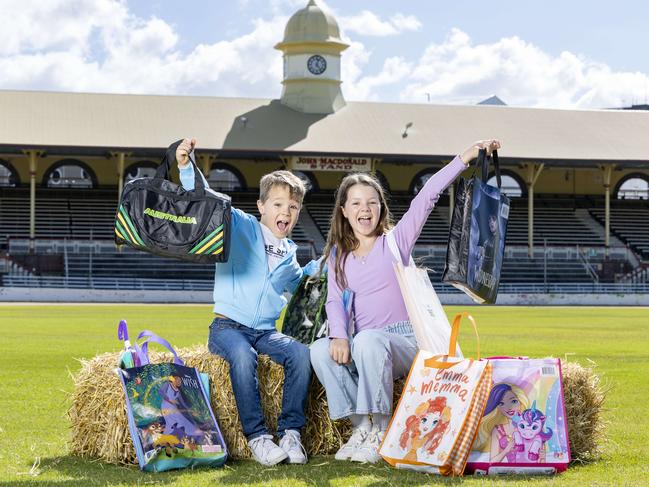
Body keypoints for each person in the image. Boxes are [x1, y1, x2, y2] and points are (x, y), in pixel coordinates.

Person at [310, 139, 501, 463]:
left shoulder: (395, 242)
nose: (364, 210)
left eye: (372, 202)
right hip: (363, 344)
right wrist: (339, 336)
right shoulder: (338, 256)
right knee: (319, 349)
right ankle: (361, 428)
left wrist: (464, 158)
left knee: (369, 341)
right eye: (356, 203)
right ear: (343, 211)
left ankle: (382, 431)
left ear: (381, 208)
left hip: (405, 340)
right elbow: (333, 301)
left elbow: (426, 197)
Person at [176, 138, 318, 466]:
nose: (286, 212)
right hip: (227, 327)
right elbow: (206, 200)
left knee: (300, 352)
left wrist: (325, 264)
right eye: (279, 204)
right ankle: (258, 437)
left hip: (266, 331)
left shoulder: (290, 256)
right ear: (262, 206)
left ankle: (291, 431)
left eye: (293, 207)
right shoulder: (240, 226)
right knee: (243, 356)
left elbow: (300, 284)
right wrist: (186, 168)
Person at [474, 382, 530, 463]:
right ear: (497, 407)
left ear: (521, 401)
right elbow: (492, 461)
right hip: (509, 469)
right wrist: (506, 450)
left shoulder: (531, 425)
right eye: (501, 403)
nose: (509, 407)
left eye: (513, 401)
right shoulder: (498, 430)